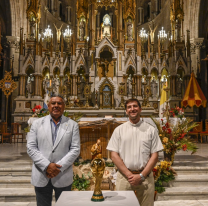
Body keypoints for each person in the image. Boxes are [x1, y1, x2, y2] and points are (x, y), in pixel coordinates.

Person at [107, 98, 163, 206]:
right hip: (124, 178)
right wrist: (129, 175)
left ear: (140, 109)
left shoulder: (150, 130)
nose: (132, 109)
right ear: (126, 111)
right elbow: (114, 155)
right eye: (129, 107)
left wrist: (141, 176)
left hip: (145, 178)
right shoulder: (119, 130)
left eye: (135, 106)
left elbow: (155, 156)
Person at [27, 94, 80, 206]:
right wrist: (47, 166)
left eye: (59, 103)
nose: (56, 106)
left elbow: (75, 149)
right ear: (48, 106)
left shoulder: (72, 125)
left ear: (64, 106)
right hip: (42, 173)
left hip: (63, 174)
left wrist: (58, 168)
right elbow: (31, 147)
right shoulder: (36, 124)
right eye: (53, 103)